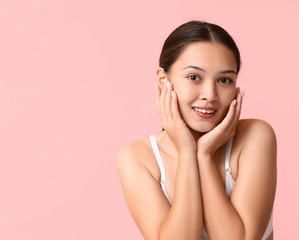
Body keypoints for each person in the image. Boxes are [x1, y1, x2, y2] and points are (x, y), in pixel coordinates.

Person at [116, 21, 276, 240]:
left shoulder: (255, 136)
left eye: (224, 80)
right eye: (194, 77)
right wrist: (187, 152)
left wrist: (204, 155)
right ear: (164, 81)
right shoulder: (138, 158)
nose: (210, 94)